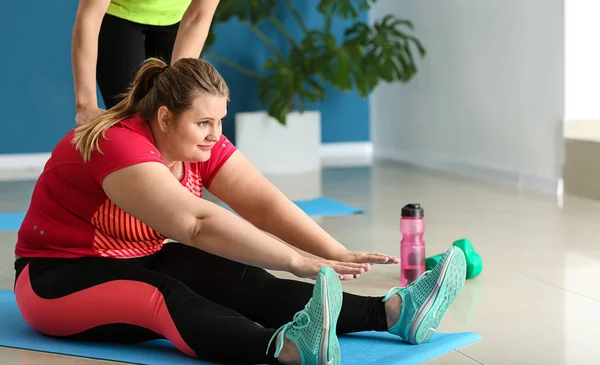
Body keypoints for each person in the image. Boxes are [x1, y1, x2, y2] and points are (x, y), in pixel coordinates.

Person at [13, 57, 467, 365]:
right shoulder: (118, 144)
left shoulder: (194, 141)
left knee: (242, 281)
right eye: (204, 122)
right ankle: (288, 350)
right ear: (166, 116)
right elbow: (196, 223)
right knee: (163, 296)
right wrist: (297, 260)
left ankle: (393, 314)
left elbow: (264, 203)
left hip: (134, 257)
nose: (214, 134)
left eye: (220, 122)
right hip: (55, 279)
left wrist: (336, 253)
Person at [72, 0, 220, 126]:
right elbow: (90, 16)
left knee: (176, 111)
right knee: (131, 118)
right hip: (119, 12)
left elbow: (198, 16)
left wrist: (178, 92)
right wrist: (85, 106)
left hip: (180, 16)